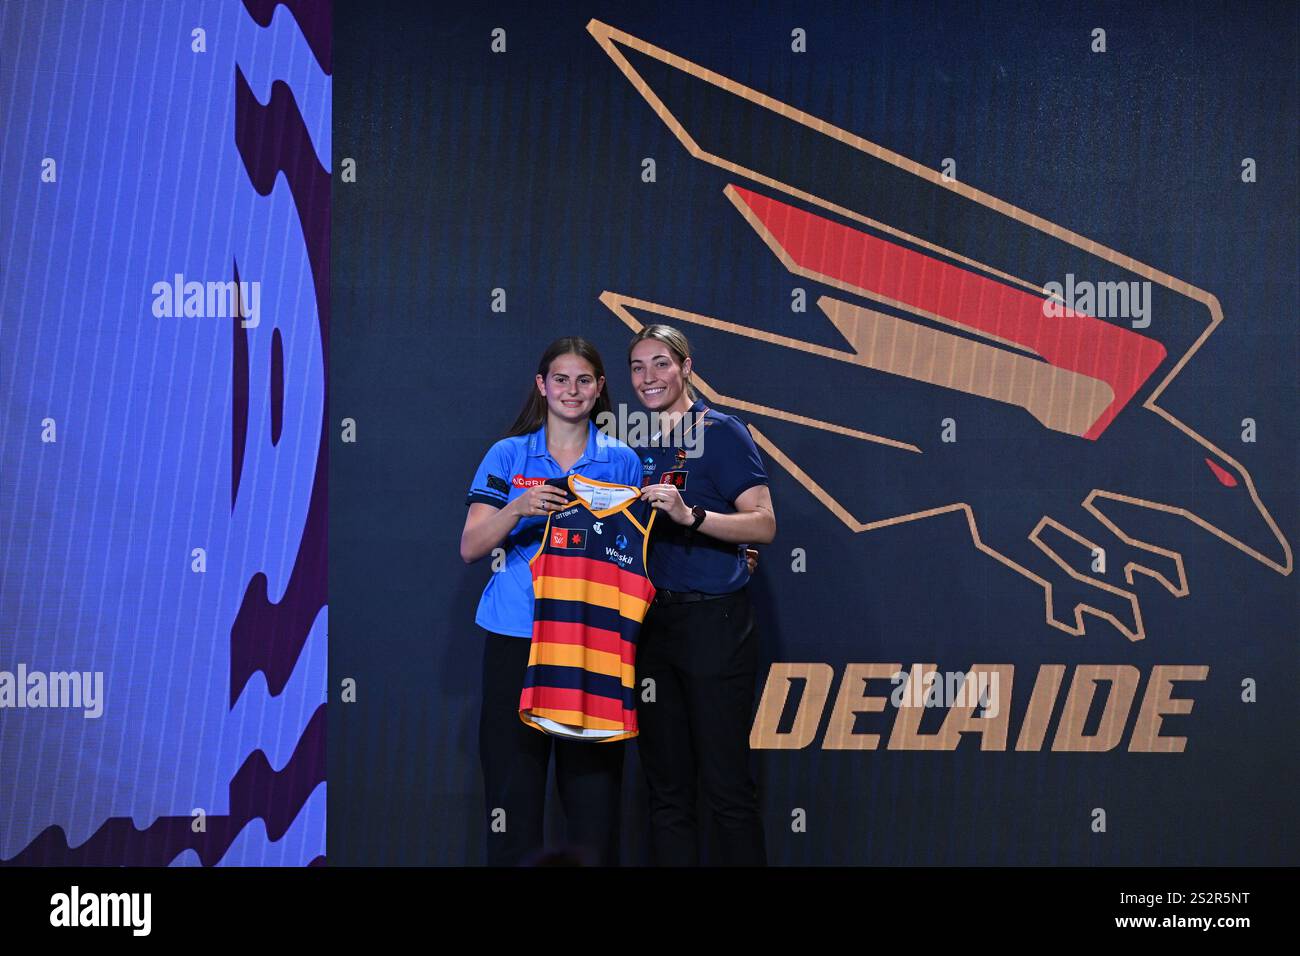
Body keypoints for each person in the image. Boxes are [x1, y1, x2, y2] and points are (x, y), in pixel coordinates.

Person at [460, 337, 643, 866]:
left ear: (600, 388)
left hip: (590, 644)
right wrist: (517, 507)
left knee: (593, 805)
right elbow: (471, 546)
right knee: (513, 800)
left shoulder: (622, 461)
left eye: (584, 380)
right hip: (518, 636)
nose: (572, 390)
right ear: (542, 386)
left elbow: (631, 557)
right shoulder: (509, 454)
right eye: (560, 379)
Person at [626, 324, 776, 866]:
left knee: (726, 787)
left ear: (687, 368)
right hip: (650, 626)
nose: (650, 377)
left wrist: (691, 517)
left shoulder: (722, 431)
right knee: (666, 791)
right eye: (639, 367)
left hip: (714, 623)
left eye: (662, 364)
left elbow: (763, 525)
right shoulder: (630, 444)